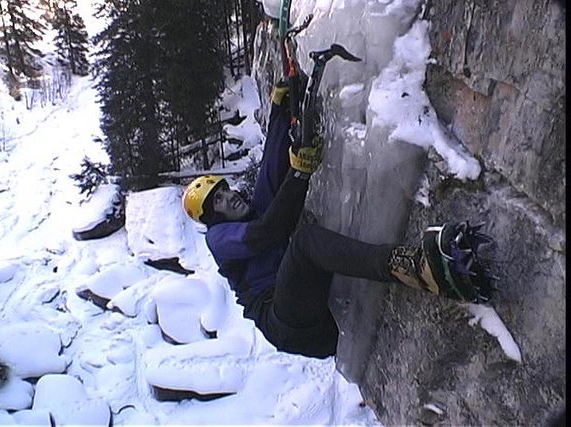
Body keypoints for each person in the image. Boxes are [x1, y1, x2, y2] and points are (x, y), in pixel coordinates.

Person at [182, 83, 492, 358]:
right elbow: (270, 232)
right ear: (212, 218)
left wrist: (279, 109)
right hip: (284, 321)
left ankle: (445, 274)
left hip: (311, 316)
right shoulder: (219, 239)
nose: (228, 197)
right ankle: (415, 267)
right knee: (305, 241)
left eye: (224, 189)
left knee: (308, 239)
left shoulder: (252, 209)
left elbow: (270, 168)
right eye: (218, 201)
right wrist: (300, 173)